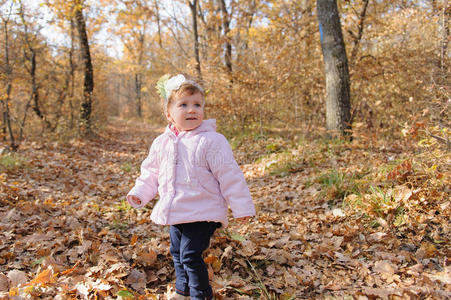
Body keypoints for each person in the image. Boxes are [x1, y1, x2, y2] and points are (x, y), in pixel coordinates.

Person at [127, 74, 256, 300]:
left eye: (197, 104)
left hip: (203, 211)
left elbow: (230, 175)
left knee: (190, 254)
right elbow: (151, 173)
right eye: (183, 105)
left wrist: (241, 207)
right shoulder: (161, 143)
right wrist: (140, 194)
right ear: (169, 114)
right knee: (177, 252)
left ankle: (201, 295)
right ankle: (182, 291)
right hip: (176, 210)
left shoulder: (212, 141)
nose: (191, 110)